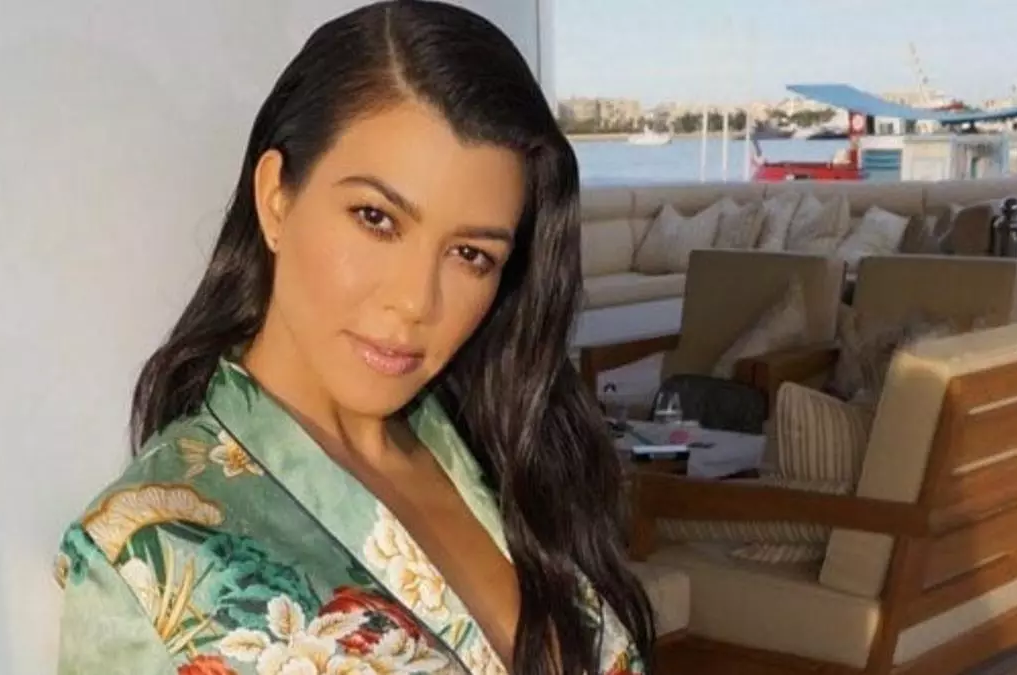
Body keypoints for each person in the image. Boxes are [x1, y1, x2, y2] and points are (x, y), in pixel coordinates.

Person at [53, 2, 655, 674]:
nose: (415, 301)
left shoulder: (507, 454)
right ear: (276, 198)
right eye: (376, 218)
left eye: (470, 255)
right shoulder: (148, 557)